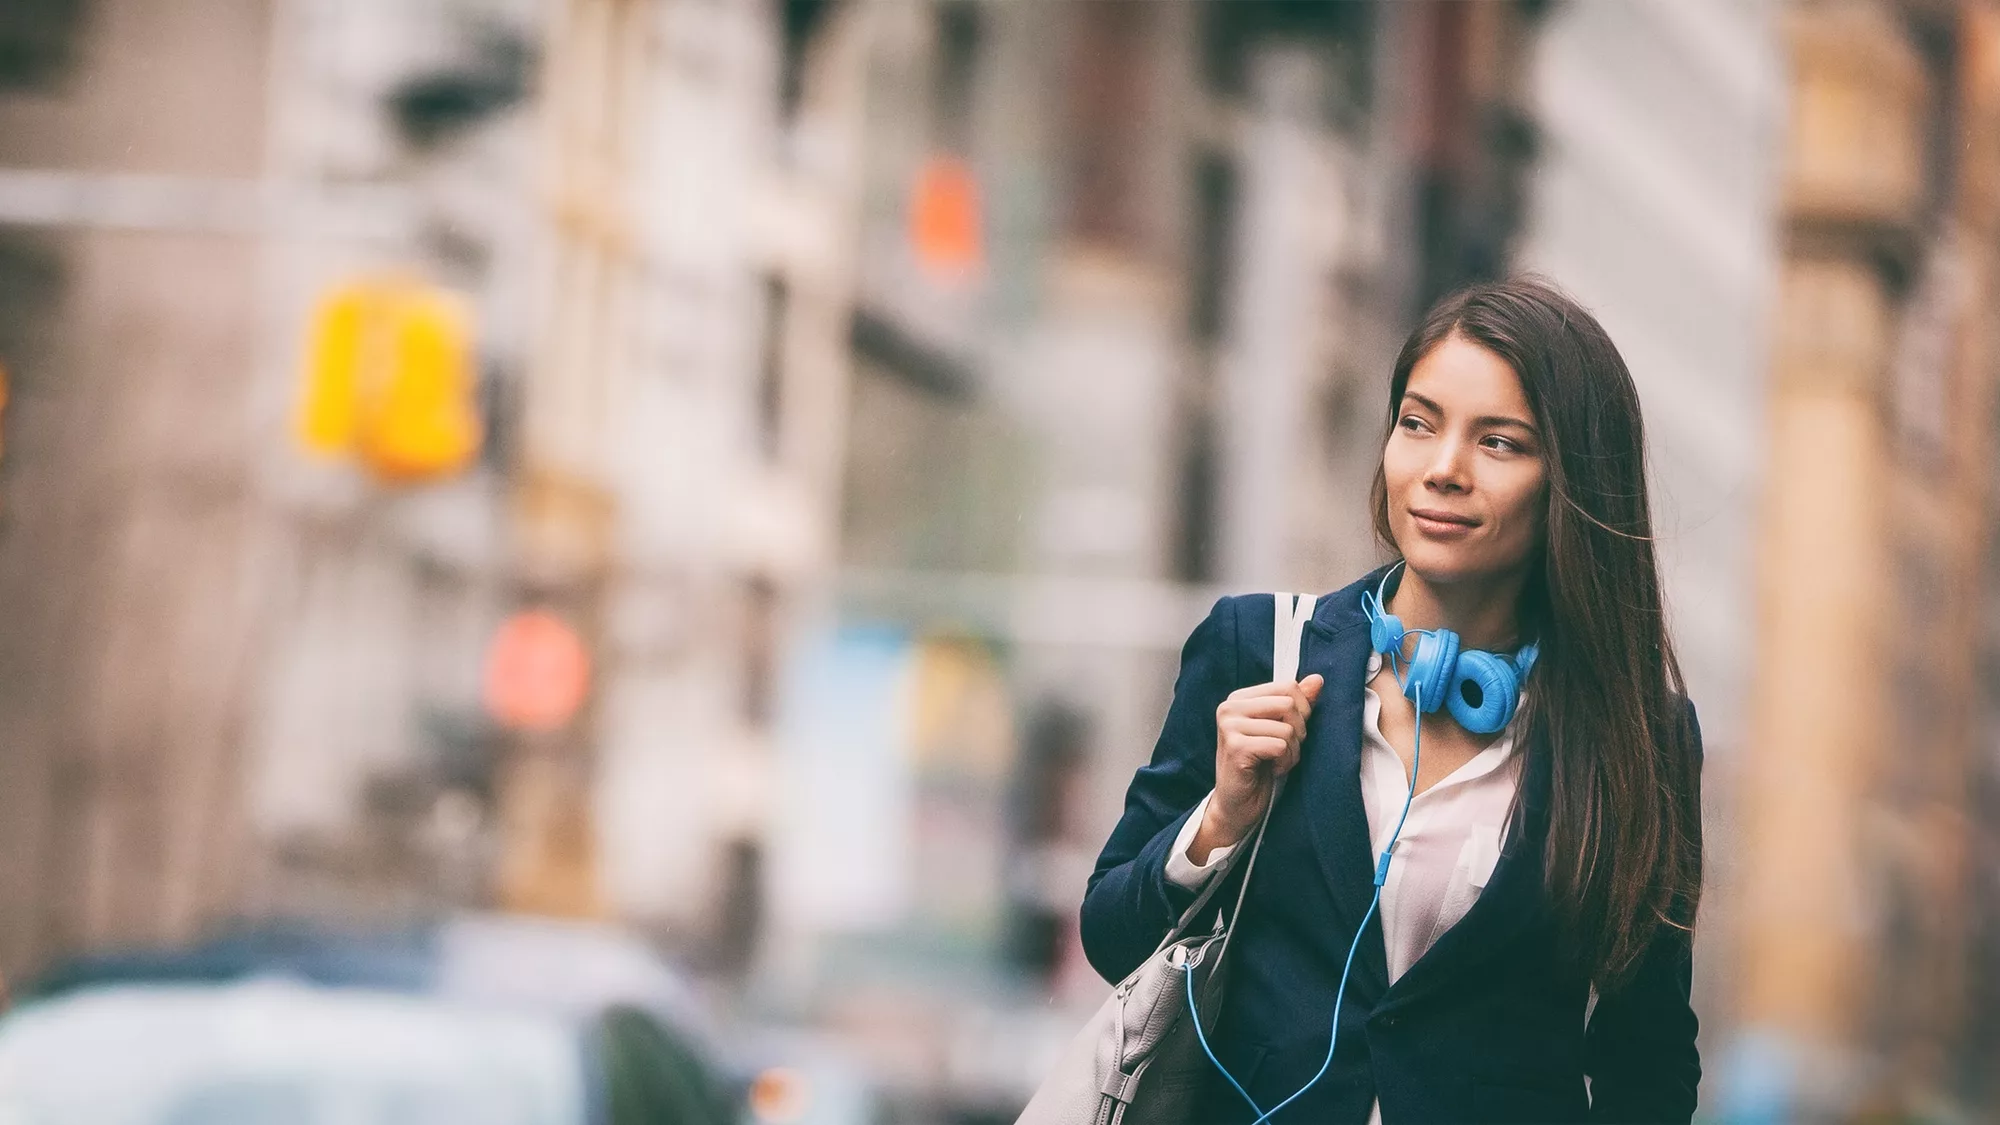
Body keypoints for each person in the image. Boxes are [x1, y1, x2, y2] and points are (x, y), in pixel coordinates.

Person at [1079, 277, 1704, 1124]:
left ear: (1571, 482)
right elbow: (1112, 938)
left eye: (1500, 442)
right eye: (1418, 422)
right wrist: (1221, 817)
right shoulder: (1258, 649)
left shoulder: (1640, 734)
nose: (1442, 469)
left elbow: (1649, 1058)